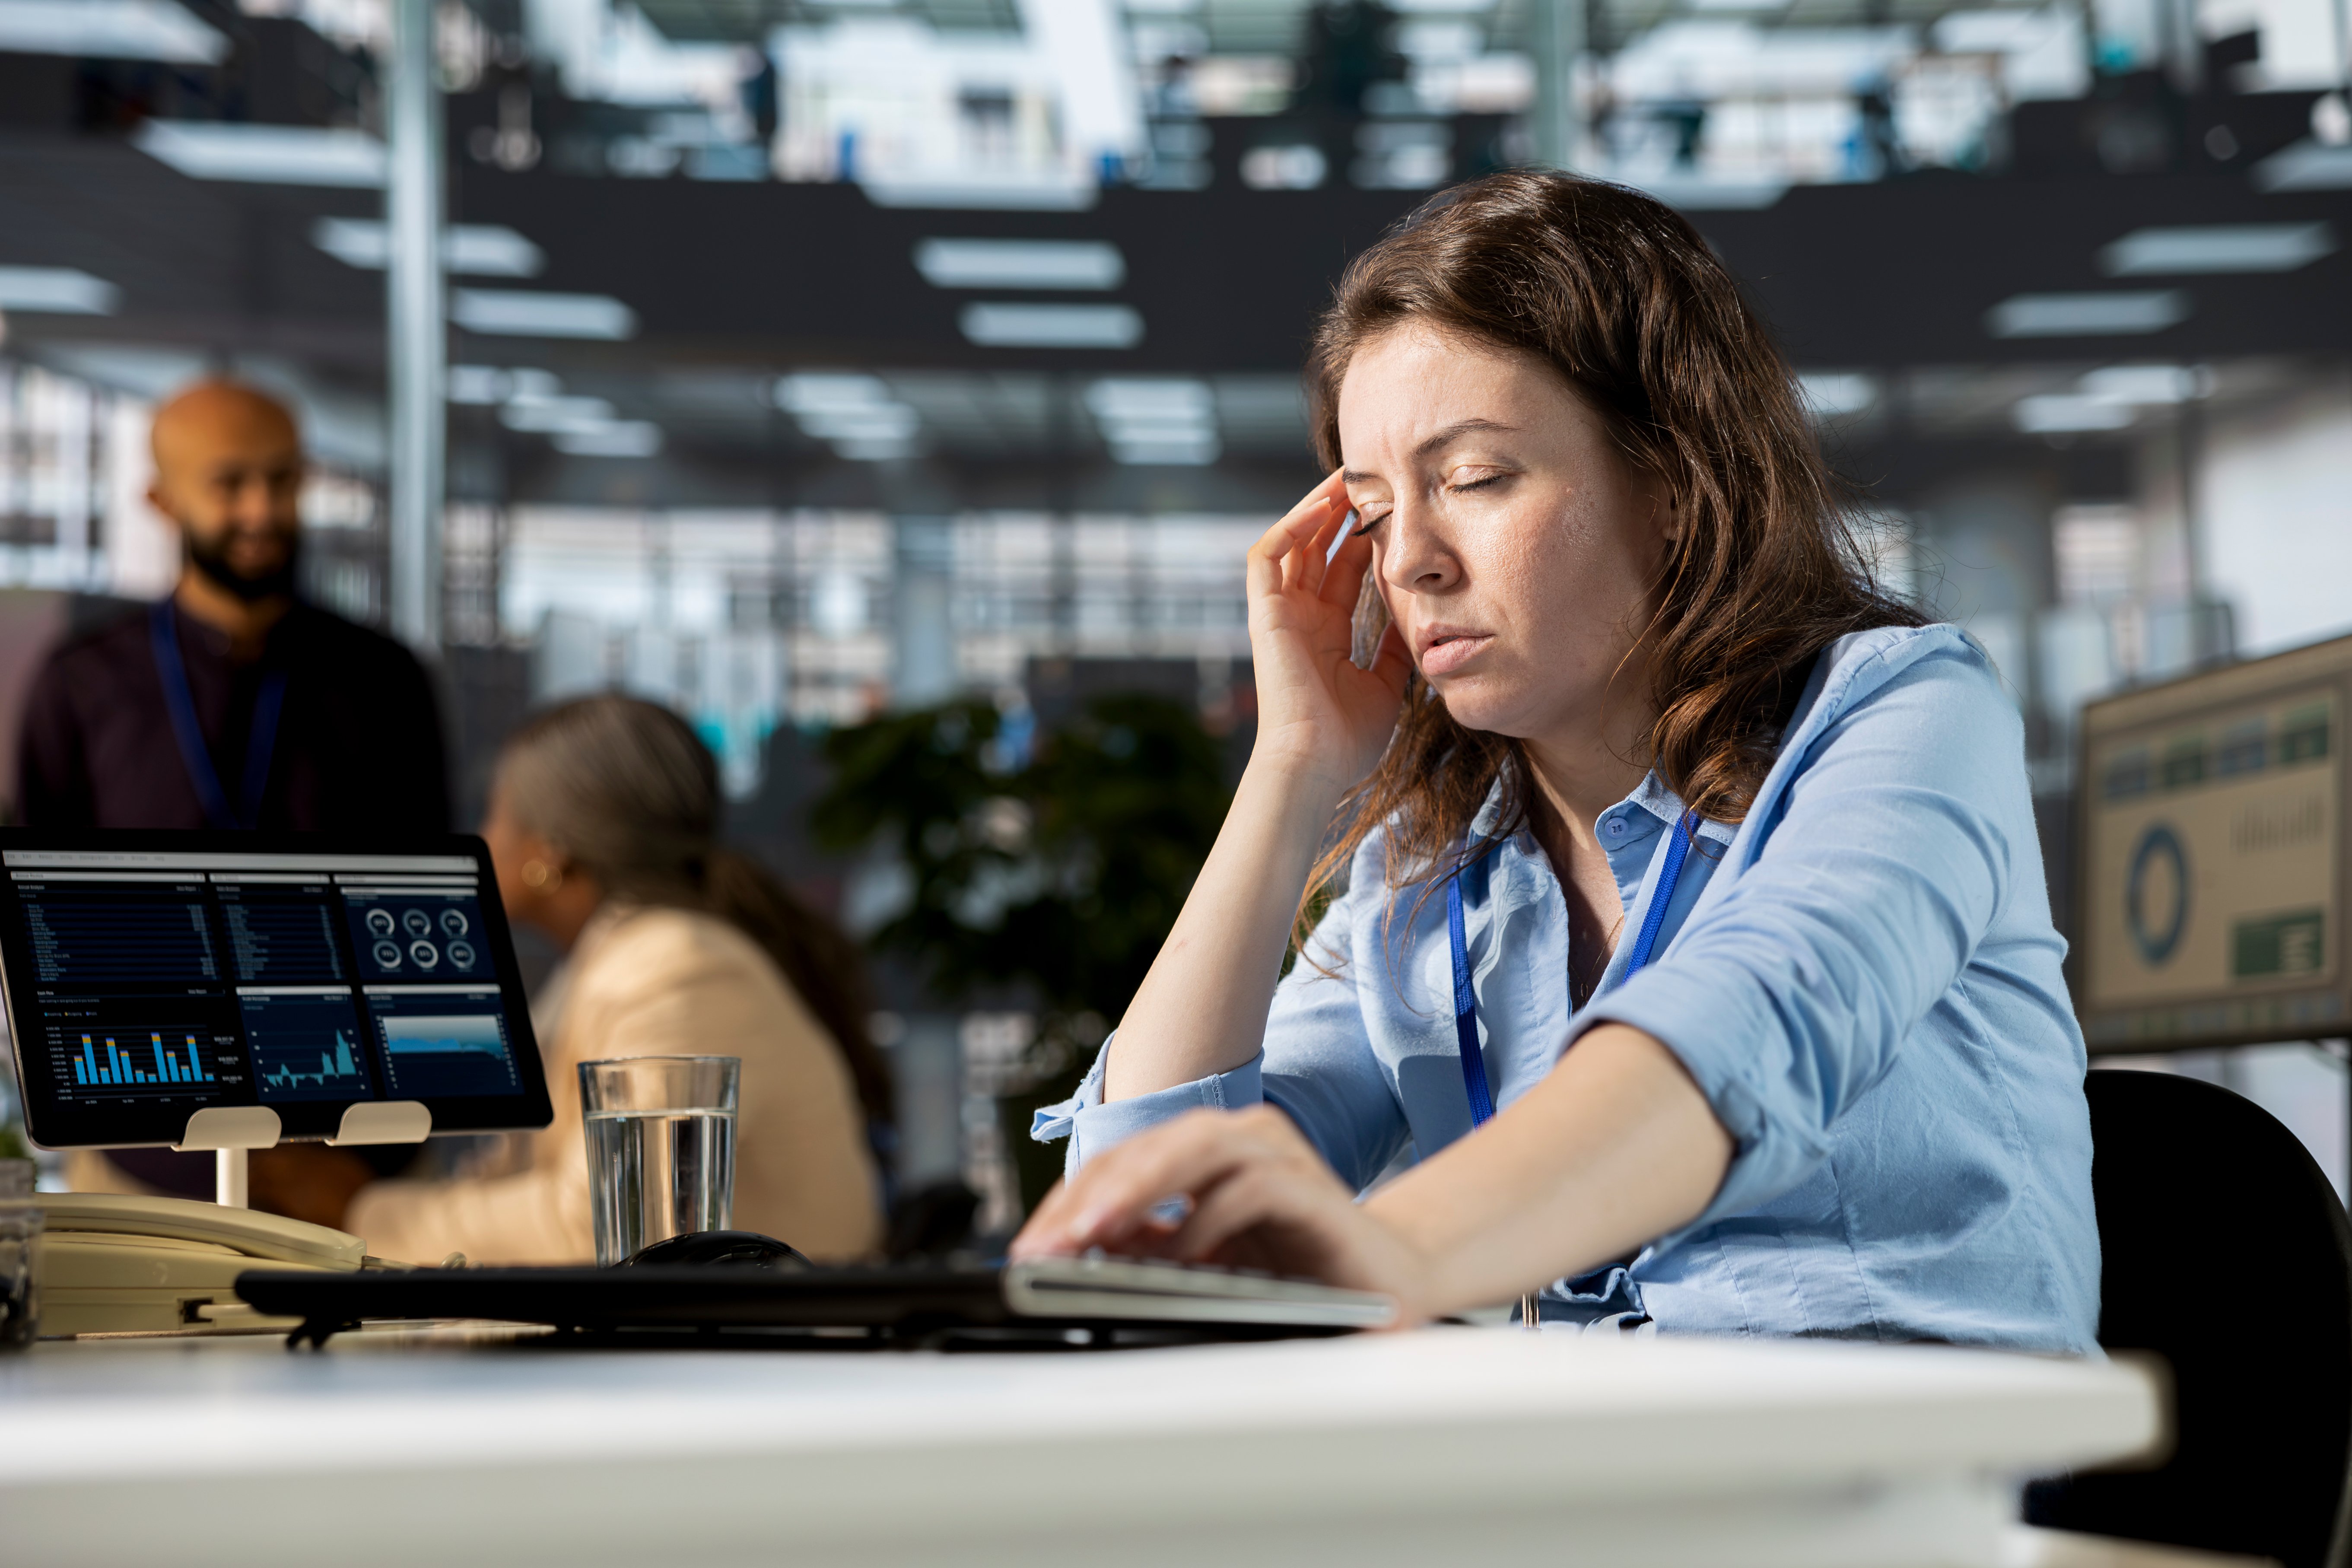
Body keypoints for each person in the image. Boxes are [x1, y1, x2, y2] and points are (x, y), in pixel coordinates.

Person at [1014, 172, 2100, 1352]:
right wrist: (1290, 769)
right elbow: (1139, 1227)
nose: (1410, 562)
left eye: (1473, 479)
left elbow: (1748, 1027)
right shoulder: (1432, 870)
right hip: (1573, 1482)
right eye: (1373, 515)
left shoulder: (1899, 720)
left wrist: (1405, 1244)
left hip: (1897, 1492)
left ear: (1676, 487)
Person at [249, 694, 890, 1264]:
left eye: (498, 813)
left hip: (776, 1366)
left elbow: (609, 1231)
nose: (485, 836)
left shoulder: (679, 970)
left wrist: (362, 1210)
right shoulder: (619, 960)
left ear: (549, 852)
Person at [24, 378, 448, 1201]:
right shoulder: (83, 683)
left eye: (283, 480)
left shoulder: (384, 680)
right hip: (139, 1143)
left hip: (357, 1151)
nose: (262, 510)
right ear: (160, 495)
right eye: (229, 483)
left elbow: (424, 916)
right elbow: (46, 937)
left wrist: (338, 1162)